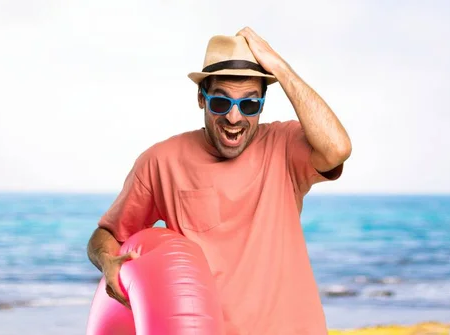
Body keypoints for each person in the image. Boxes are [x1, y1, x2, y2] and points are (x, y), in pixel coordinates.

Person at [87, 27, 352, 334]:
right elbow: (107, 233)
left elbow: (338, 148)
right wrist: (108, 262)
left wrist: (279, 67)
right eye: (221, 103)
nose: (235, 118)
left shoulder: (284, 145)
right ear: (201, 98)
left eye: (250, 104)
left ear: (263, 104)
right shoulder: (161, 161)